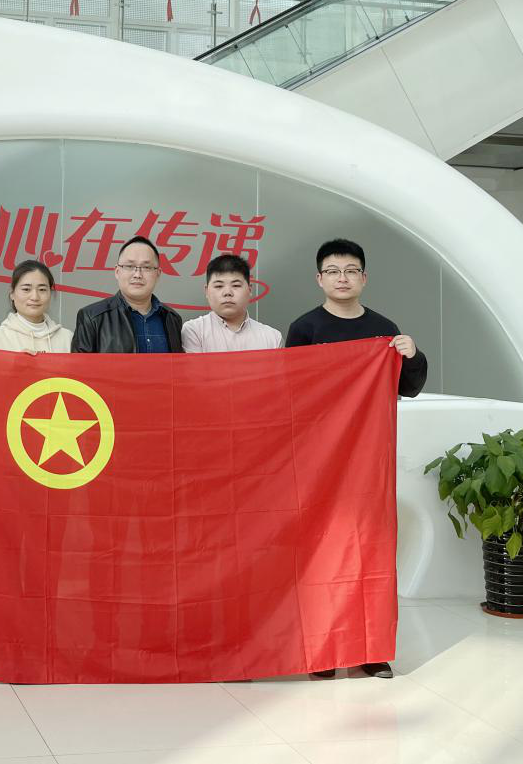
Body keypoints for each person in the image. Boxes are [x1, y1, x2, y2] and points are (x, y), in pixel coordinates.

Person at [285, 237, 427, 680]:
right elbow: (289, 391)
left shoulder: (383, 329)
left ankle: (370, 648)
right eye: (333, 271)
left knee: (370, 552)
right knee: (321, 551)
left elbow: (408, 387)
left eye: (350, 271)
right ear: (319, 279)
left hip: (368, 459)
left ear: (364, 278)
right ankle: (322, 649)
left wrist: (412, 355)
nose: (342, 278)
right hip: (318, 458)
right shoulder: (305, 329)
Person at [72, 235, 183, 353]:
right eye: (129, 266)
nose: (137, 274)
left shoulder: (172, 319)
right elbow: (80, 364)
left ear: (158, 274)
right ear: (117, 271)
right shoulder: (91, 317)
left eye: (146, 267)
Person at [182, 254, 282, 352]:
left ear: (249, 290)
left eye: (236, 285)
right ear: (206, 291)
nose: (227, 293)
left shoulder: (272, 338)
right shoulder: (194, 331)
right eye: (219, 286)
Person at [0, 260, 73, 353]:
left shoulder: (68, 339)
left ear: (50, 293)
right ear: (12, 293)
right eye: (26, 289)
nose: (35, 297)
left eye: (42, 289)